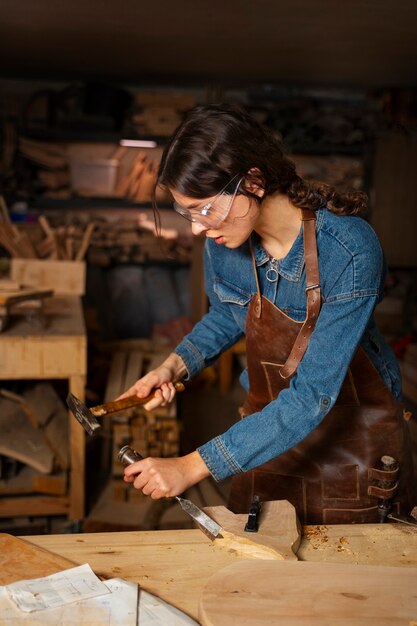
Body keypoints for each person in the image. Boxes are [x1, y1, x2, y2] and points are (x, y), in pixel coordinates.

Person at [121, 104, 415, 524]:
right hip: (263, 433)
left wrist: (191, 465)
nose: (196, 229)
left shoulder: (349, 250)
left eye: (204, 208)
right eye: (187, 212)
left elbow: (313, 395)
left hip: (353, 434)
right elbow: (226, 315)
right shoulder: (222, 241)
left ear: (254, 181)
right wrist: (174, 366)